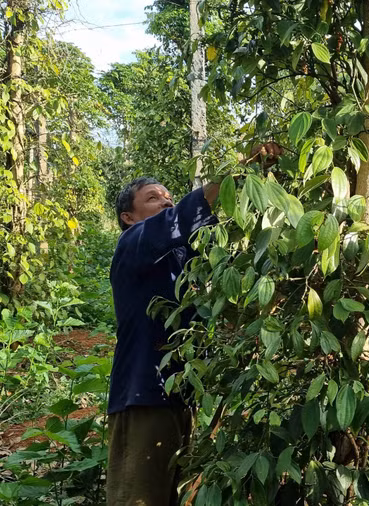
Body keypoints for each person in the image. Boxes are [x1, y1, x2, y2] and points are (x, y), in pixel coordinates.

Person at [106, 143, 283, 506]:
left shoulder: (184, 261)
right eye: (154, 197)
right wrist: (242, 165)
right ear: (128, 216)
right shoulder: (133, 243)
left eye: (168, 195)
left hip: (177, 399)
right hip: (142, 399)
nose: (166, 201)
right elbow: (187, 215)